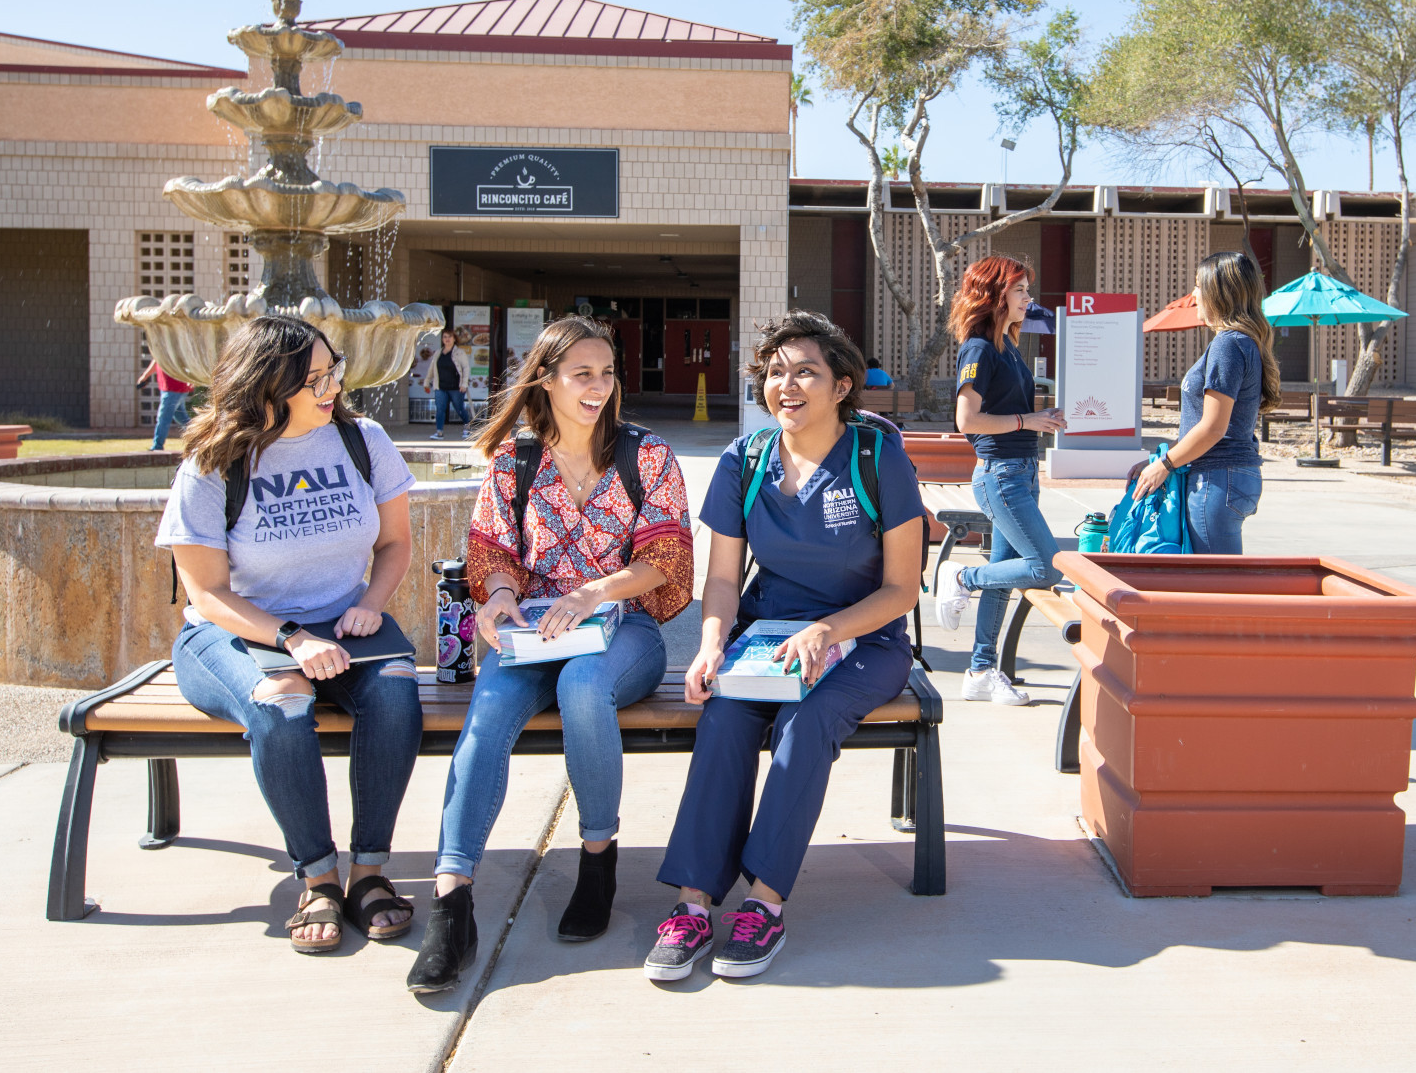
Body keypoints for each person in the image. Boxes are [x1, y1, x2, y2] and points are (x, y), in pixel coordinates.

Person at [406, 316, 694, 994]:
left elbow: (667, 556)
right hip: (534, 633)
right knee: (490, 706)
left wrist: (594, 592)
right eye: (582, 374)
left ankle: (598, 858)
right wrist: (499, 597)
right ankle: (452, 902)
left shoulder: (646, 454)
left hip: (622, 632)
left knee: (584, 686)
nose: (599, 387)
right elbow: (493, 552)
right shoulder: (516, 459)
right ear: (549, 380)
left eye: (607, 373)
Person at [644, 311, 925, 982]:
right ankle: (692, 904)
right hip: (766, 637)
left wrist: (830, 629)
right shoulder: (746, 460)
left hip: (863, 636)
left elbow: (902, 589)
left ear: (841, 385)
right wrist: (712, 643)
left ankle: (763, 904)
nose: (786, 385)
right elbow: (720, 579)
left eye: (806, 371)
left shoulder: (875, 455)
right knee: (724, 719)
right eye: (775, 372)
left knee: (808, 719)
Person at [157, 315, 422, 955]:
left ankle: (369, 873)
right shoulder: (214, 462)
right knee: (282, 702)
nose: (332, 387)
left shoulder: (364, 441)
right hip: (233, 633)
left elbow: (395, 543)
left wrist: (371, 603)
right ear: (267, 388)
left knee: (395, 692)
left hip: (345, 629)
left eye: (335, 371)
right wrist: (294, 639)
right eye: (314, 379)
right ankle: (318, 878)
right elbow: (208, 594)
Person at [934, 256, 1067, 704]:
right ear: (995, 295)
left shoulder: (1007, 345)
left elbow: (1010, 414)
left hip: (1022, 472)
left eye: (1028, 290)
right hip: (1000, 476)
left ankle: (981, 670)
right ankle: (962, 577)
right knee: (1047, 567)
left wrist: (1039, 420)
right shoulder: (978, 348)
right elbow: (967, 418)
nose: (1029, 298)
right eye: (1021, 290)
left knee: (1005, 575)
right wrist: (1028, 419)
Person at [1131, 251, 1278, 553]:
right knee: (1211, 585)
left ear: (1219, 291)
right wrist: (1159, 460)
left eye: (1198, 285)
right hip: (1225, 477)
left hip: (1216, 479)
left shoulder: (1228, 344)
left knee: (1216, 588)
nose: (1194, 294)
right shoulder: (1240, 342)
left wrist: (1166, 464)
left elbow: (1213, 428)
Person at [422, 329, 473, 440]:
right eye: (445, 337)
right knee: (440, 409)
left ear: (454, 339)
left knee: (459, 408)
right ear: (442, 339)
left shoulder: (460, 353)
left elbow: (465, 368)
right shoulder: (438, 353)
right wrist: (427, 382)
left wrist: (464, 384)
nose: (447, 339)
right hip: (440, 387)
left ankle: (467, 428)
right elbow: (432, 369)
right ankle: (439, 432)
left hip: (456, 387)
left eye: (449, 337)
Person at [137, 358, 193, 451]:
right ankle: (201, 437)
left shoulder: (170, 346)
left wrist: (145, 376)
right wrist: (145, 376)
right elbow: (156, 360)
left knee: (163, 418)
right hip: (170, 387)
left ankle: (157, 446)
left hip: (174, 387)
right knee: (181, 418)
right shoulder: (161, 348)